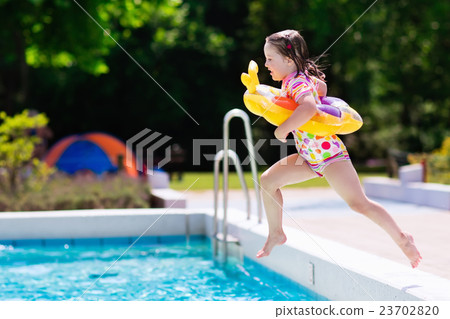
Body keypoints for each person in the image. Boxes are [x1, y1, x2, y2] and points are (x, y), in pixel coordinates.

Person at [256, 29, 422, 268]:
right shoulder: (294, 79)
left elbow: (309, 106)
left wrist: (281, 130)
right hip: (308, 157)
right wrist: (316, 88)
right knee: (268, 182)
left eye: (270, 59)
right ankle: (276, 233)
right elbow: (320, 88)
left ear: (289, 60)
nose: (266, 64)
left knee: (359, 204)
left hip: (330, 155)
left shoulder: (296, 82)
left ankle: (403, 240)